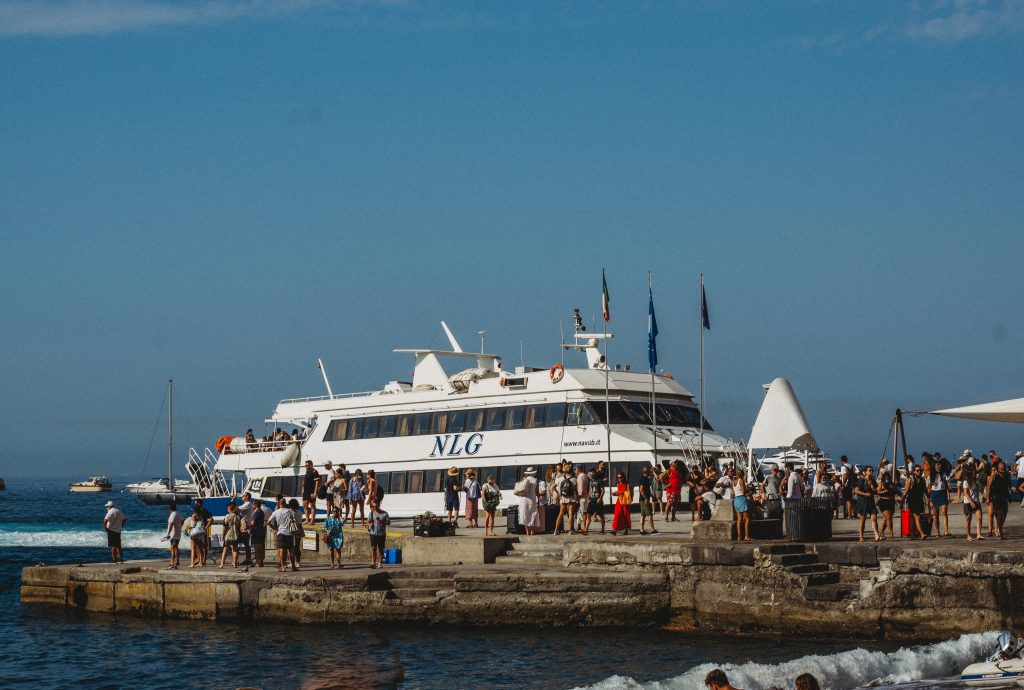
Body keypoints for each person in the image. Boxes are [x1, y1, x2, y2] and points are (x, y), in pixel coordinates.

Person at [269, 497, 298, 572]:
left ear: (279, 504)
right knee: (291, 550)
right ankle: (293, 566)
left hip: (281, 532)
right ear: (285, 503)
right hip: (290, 532)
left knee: (282, 550)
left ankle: (283, 566)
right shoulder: (290, 511)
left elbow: (268, 522)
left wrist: (275, 528)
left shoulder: (276, 512)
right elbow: (295, 520)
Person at [854, 465, 880, 542]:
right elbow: (856, 490)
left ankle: (876, 534)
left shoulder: (873, 480)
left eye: (872, 470)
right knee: (863, 518)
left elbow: (876, 491)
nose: (871, 472)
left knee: (874, 517)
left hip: (871, 501)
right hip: (863, 501)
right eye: (870, 470)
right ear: (865, 472)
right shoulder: (862, 480)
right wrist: (865, 494)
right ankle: (861, 536)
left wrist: (873, 489)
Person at [904, 465, 929, 539]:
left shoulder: (922, 480)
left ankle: (913, 533)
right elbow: (906, 491)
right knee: (917, 516)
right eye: (917, 470)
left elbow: (925, 490)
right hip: (912, 501)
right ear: (914, 471)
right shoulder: (910, 480)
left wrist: (928, 499)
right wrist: (902, 501)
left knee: (917, 517)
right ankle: (922, 534)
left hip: (920, 501)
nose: (919, 472)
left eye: (920, 470)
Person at [988, 459, 1012, 539]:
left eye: (1003, 469)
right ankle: (1000, 531)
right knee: (999, 514)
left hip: (1004, 496)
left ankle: (1000, 527)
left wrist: (1012, 487)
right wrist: (988, 497)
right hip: (996, 496)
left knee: (1004, 514)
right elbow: (989, 486)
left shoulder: (1006, 475)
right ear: (998, 469)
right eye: (1001, 470)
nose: (1002, 471)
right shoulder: (994, 475)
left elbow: (1009, 483)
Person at [927, 460, 951, 537]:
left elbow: (946, 486)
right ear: (934, 466)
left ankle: (946, 530)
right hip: (934, 494)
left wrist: (948, 495)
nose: (939, 466)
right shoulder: (930, 476)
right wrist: (929, 499)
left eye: (940, 464)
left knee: (944, 513)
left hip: (942, 493)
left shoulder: (943, 474)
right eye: (937, 465)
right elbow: (929, 489)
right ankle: (937, 532)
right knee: (935, 515)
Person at [962, 462, 984, 541]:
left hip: (976, 501)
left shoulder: (976, 481)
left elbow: (978, 490)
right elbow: (966, 493)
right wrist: (971, 502)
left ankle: (979, 534)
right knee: (968, 519)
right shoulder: (966, 481)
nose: (975, 474)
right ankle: (968, 535)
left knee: (979, 517)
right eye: (973, 472)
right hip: (968, 502)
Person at [553, 463, 577, 535]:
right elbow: (575, 490)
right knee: (570, 513)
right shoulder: (574, 479)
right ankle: (570, 530)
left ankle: (556, 530)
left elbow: (553, 487)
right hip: (571, 498)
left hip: (563, 498)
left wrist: (558, 493)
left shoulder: (561, 479)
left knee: (560, 514)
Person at [367, 495, 390, 569]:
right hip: (373, 533)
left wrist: (382, 522)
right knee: (373, 548)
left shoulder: (384, 513)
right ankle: (373, 562)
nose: (374, 508)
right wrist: (370, 525)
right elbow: (368, 522)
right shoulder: (371, 513)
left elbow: (388, 522)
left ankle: (379, 563)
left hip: (381, 534)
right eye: (373, 506)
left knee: (380, 549)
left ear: (378, 505)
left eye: (375, 506)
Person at [518, 467, 541, 535]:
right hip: (532, 500)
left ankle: (527, 532)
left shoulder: (524, 479)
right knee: (532, 514)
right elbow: (537, 492)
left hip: (524, 500)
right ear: (533, 473)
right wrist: (539, 498)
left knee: (525, 515)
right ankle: (532, 531)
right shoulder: (536, 480)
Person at [876, 468, 897, 540]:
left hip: (891, 502)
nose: (887, 478)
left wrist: (903, 497)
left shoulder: (892, 484)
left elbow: (896, 491)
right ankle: (891, 533)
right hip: (883, 502)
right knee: (889, 518)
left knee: (886, 519)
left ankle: (881, 532)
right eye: (886, 477)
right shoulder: (881, 483)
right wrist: (883, 491)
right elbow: (877, 492)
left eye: (888, 477)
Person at [103, 500, 127, 564]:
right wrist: (121, 525)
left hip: (111, 530)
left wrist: (105, 527)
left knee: (113, 546)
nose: (106, 508)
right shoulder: (119, 511)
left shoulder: (110, 512)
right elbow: (125, 519)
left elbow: (105, 520)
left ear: (109, 506)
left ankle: (114, 559)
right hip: (118, 530)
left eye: (107, 506)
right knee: (119, 545)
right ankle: (121, 558)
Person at [235, 491, 254, 565]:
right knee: (245, 543)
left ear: (247, 497)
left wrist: (233, 501)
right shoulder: (246, 504)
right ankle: (247, 559)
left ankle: (248, 559)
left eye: (244, 495)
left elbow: (236, 509)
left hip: (245, 525)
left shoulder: (248, 504)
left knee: (245, 542)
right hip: (244, 524)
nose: (242, 496)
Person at [219, 502, 241, 568]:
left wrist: (223, 535)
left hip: (228, 534)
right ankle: (234, 563)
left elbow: (225, 527)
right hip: (235, 534)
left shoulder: (227, 516)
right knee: (235, 549)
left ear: (229, 509)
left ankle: (222, 564)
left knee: (225, 549)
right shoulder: (238, 517)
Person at [583, 468, 604, 535]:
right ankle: (586, 529)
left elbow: (603, 491)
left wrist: (600, 498)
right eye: (590, 472)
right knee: (588, 514)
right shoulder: (590, 480)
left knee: (600, 515)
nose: (591, 474)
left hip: (597, 499)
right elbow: (589, 490)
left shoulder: (599, 480)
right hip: (591, 499)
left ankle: (603, 529)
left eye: (592, 472)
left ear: (595, 473)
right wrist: (588, 498)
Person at [639, 465, 658, 535]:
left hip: (643, 499)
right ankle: (652, 529)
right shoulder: (643, 479)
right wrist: (646, 498)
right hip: (644, 500)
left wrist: (652, 496)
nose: (651, 472)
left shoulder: (646, 479)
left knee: (643, 515)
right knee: (650, 514)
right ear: (646, 472)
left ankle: (641, 530)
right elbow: (641, 490)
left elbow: (647, 490)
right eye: (649, 471)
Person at [611, 472, 631, 536]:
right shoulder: (618, 484)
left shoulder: (627, 484)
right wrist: (616, 493)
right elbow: (620, 492)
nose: (619, 478)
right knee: (617, 515)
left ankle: (626, 530)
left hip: (625, 502)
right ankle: (614, 529)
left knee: (626, 515)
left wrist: (617, 493)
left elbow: (625, 492)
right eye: (618, 477)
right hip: (619, 501)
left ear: (623, 477)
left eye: (620, 477)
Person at [165, 503, 184, 569]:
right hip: (177, 533)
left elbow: (171, 524)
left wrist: (168, 534)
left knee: (173, 547)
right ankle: (175, 561)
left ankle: (173, 561)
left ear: (170, 509)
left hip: (174, 534)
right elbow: (182, 520)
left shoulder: (173, 515)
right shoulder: (178, 514)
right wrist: (180, 527)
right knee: (174, 547)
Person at [302, 460, 320, 526]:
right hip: (306, 491)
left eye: (306, 465)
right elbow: (304, 481)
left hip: (311, 491)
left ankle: (312, 520)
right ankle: (307, 519)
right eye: (305, 466)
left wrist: (315, 492)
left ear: (310, 465)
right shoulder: (307, 472)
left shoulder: (314, 472)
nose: (305, 467)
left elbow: (317, 482)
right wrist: (303, 489)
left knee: (312, 505)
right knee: (305, 505)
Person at [288, 498, 305, 567]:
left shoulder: (289, 512)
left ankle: (292, 562)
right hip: (298, 530)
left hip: (291, 531)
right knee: (297, 547)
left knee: (291, 547)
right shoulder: (300, 512)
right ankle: (297, 562)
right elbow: (300, 523)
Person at [250, 498, 267, 567]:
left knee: (257, 547)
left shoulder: (256, 512)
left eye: (253, 504)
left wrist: (249, 525)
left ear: (256, 505)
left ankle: (258, 562)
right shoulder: (262, 512)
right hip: (261, 530)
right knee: (261, 547)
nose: (252, 506)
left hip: (256, 531)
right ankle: (261, 561)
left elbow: (253, 522)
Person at [574, 466, 590, 532]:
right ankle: (584, 527)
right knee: (584, 512)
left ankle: (584, 527)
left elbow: (580, 488)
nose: (575, 472)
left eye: (575, 470)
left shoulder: (580, 477)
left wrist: (578, 496)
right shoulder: (585, 475)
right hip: (586, 496)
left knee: (583, 513)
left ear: (578, 469)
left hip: (582, 497)